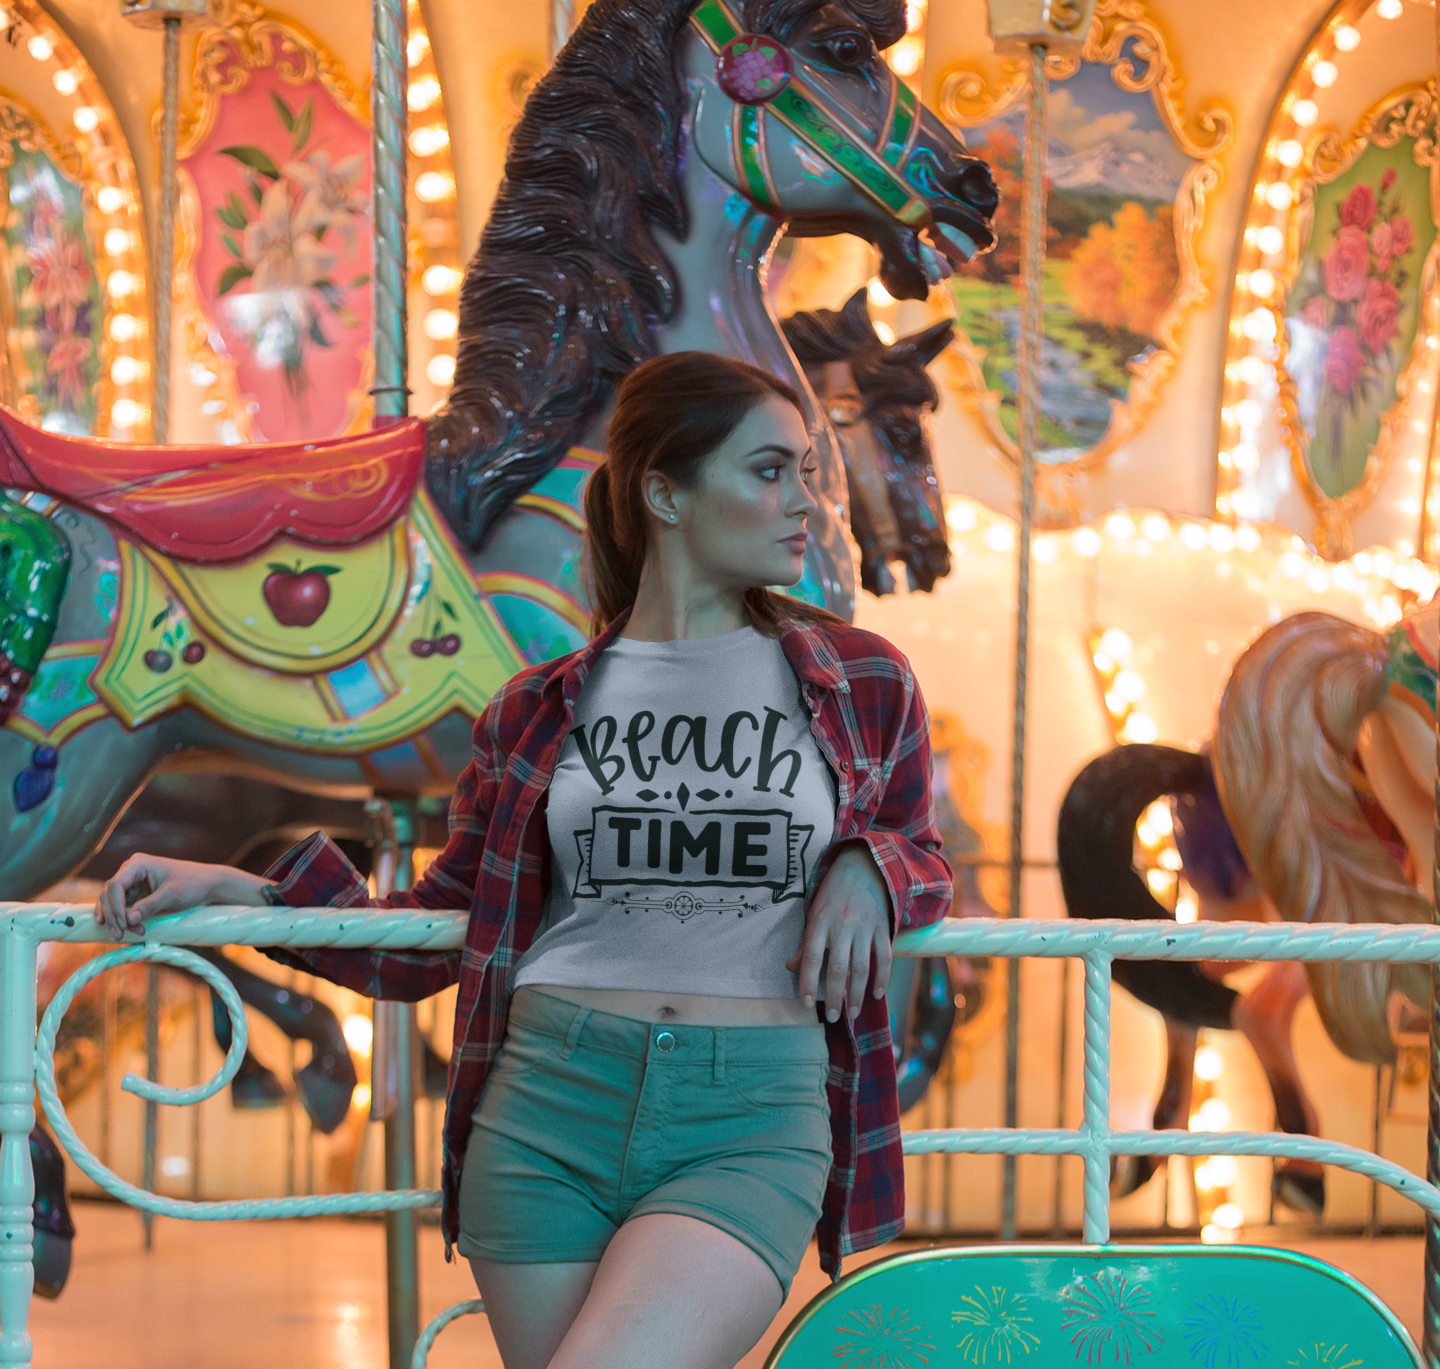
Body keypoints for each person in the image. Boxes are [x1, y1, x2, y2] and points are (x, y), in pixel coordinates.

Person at [95, 351, 952, 1369]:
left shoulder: (862, 681)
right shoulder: (535, 708)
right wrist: (254, 895)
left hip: (749, 1116)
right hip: (548, 1104)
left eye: (807, 471)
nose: (803, 503)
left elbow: (917, 847)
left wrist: (870, 864)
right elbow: (440, 926)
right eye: (771, 471)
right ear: (665, 493)